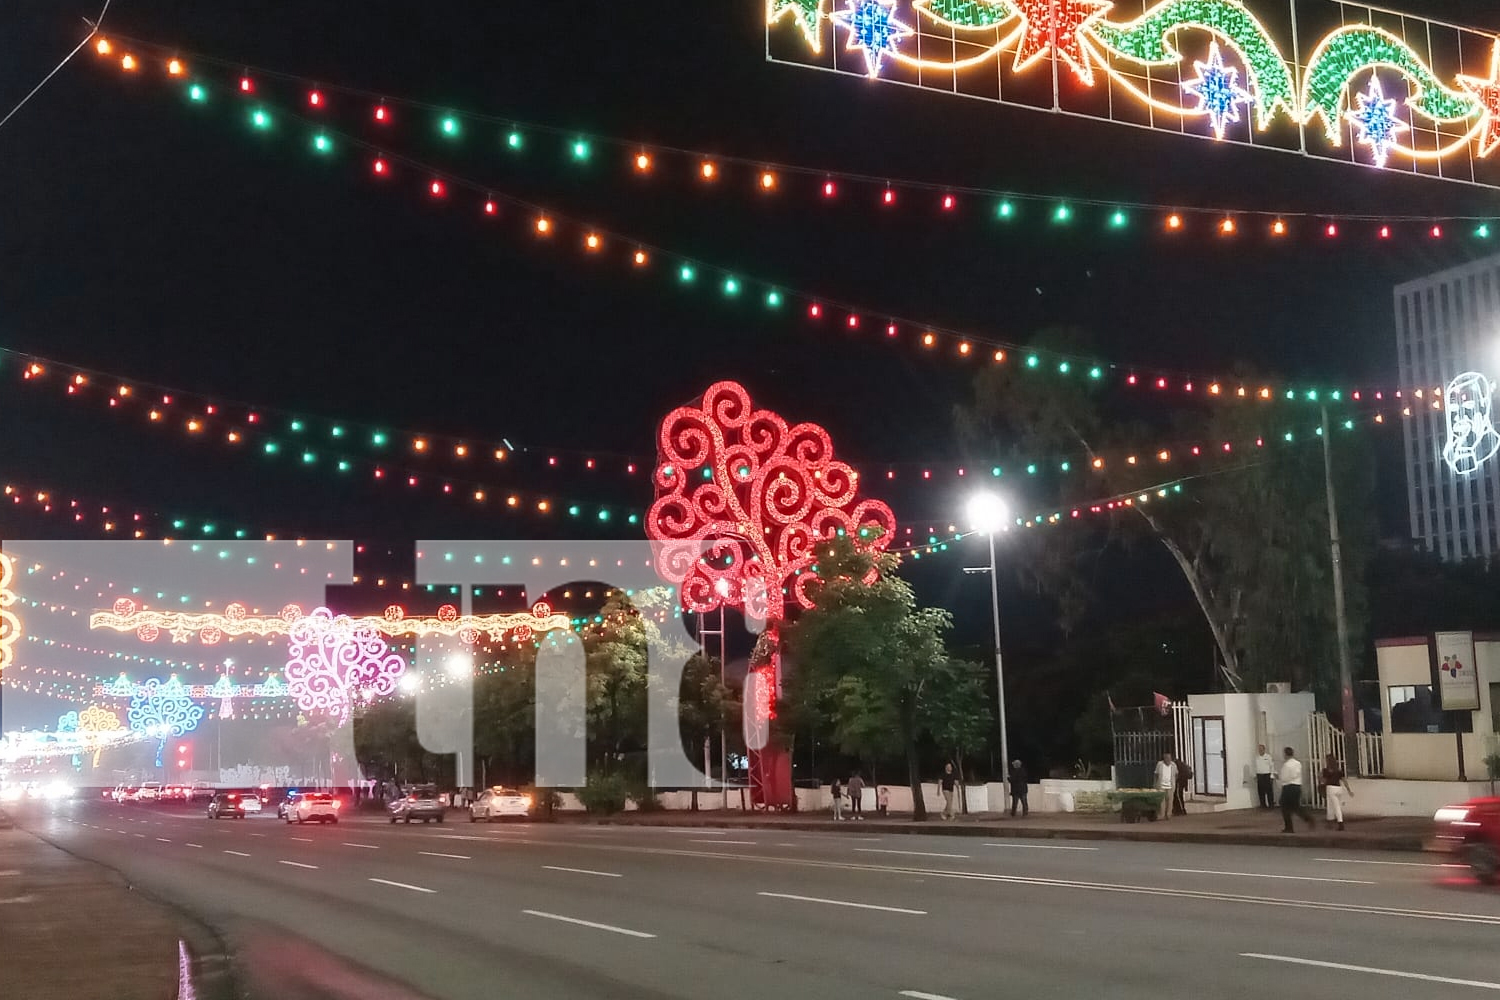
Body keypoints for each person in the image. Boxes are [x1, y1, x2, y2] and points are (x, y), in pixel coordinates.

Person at [1278, 747, 1316, 833]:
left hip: (1288, 787)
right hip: (1297, 786)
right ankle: (1308, 818)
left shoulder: (1286, 765)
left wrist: (1279, 778)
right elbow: (1296, 774)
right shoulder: (1298, 763)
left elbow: (1285, 777)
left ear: (1286, 754)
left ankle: (1289, 827)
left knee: (1284, 807)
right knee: (1295, 806)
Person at [1321, 753, 1353, 831]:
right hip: (1339, 788)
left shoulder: (1325, 770)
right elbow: (1344, 780)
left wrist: (1319, 778)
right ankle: (1331, 823)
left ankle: (1340, 823)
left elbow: (1324, 781)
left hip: (1330, 788)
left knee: (1333, 806)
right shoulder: (1338, 770)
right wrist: (1349, 790)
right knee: (1334, 805)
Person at [1155, 752, 1177, 821]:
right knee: (1162, 801)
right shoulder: (1160, 764)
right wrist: (1155, 784)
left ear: (1171, 758)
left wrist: (1174, 782)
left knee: (1170, 801)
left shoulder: (1173, 765)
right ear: (1164, 758)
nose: (1167, 759)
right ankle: (1161, 815)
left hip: (1170, 786)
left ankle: (1168, 814)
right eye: (1166, 758)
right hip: (1161, 785)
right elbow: (1156, 774)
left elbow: (1176, 774)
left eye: (1169, 758)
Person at [1253, 744, 1275, 809]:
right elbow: (1255, 767)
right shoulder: (1256, 757)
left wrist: (1272, 776)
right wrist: (1255, 775)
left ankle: (1271, 805)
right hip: (1259, 775)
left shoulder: (1268, 757)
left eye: (1261, 749)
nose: (1260, 750)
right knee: (1260, 791)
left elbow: (1272, 766)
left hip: (1267, 775)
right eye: (1259, 749)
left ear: (1264, 749)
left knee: (1269, 791)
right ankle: (1263, 805)